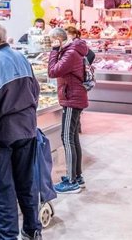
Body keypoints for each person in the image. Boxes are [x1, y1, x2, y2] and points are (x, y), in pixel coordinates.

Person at [0, 20, 42, 240]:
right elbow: (36, 92)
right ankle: (32, 231)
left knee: (3, 192)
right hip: (27, 131)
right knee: (27, 184)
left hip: (1, 139)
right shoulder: (21, 58)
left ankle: (9, 237)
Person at [47, 27, 89, 194]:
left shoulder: (70, 53)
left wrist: (54, 51)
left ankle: (72, 181)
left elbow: (52, 71)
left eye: (52, 41)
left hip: (72, 99)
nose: (51, 44)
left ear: (58, 39)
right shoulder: (73, 50)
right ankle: (77, 177)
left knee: (67, 138)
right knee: (72, 138)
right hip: (74, 97)